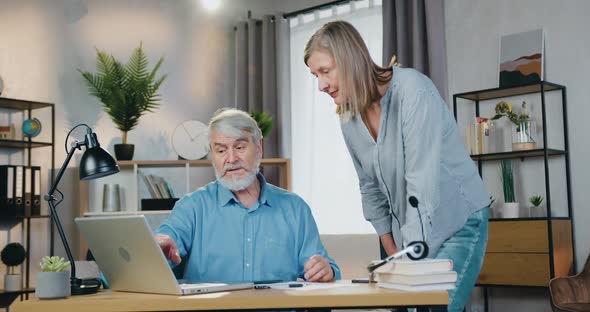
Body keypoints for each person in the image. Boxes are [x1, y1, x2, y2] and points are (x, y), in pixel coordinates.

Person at [304, 21, 490, 311]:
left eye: (325, 71)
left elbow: (422, 184)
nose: (320, 85)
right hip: (405, 234)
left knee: (437, 307)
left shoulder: (413, 91)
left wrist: (410, 264)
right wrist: (393, 252)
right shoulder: (349, 117)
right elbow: (369, 188)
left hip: (457, 222)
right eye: (315, 75)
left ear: (350, 59)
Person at [155, 108, 340, 284]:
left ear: (259, 148)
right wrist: (158, 246)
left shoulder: (295, 209)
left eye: (240, 147)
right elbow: (164, 243)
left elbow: (324, 267)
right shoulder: (191, 207)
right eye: (221, 151)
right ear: (213, 157)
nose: (232, 159)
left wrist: (325, 270)